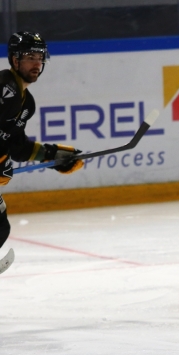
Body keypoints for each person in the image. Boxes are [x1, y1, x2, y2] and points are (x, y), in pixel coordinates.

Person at [0, 31, 84, 271]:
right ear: (15, 59)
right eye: (30, 57)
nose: (37, 63)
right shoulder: (4, 86)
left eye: (39, 57)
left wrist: (53, 155)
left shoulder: (27, 103)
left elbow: (16, 147)